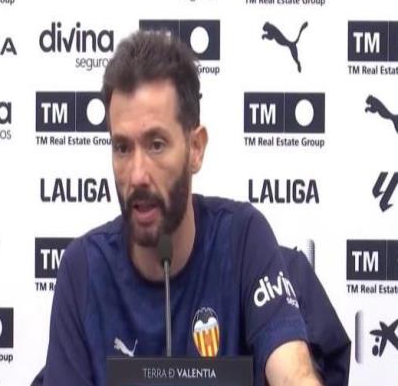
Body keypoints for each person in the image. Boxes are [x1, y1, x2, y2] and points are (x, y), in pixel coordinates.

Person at [43, 30, 323, 386]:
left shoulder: (243, 239)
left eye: (156, 144)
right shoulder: (82, 269)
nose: (137, 175)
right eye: (122, 148)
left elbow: (293, 373)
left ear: (196, 148)